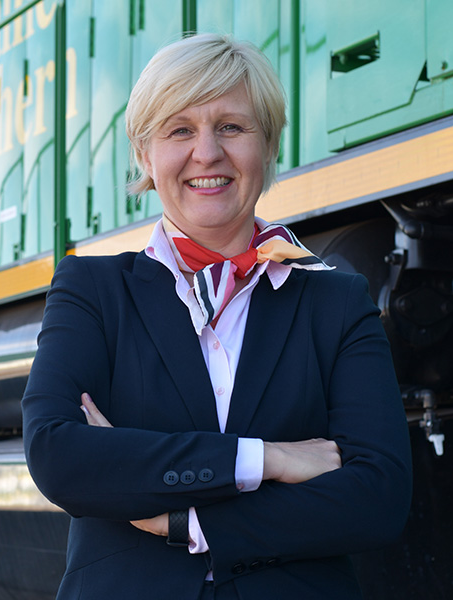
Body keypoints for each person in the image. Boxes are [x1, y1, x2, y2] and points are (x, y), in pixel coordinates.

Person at [22, 33, 412, 600]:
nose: (207, 153)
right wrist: (266, 458)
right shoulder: (92, 290)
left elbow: (379, 498)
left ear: (269, 144)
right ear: (144, 155)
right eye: (180, 130)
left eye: (231, 127)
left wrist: (190, 523)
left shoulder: (338, 302)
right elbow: (60, 456)